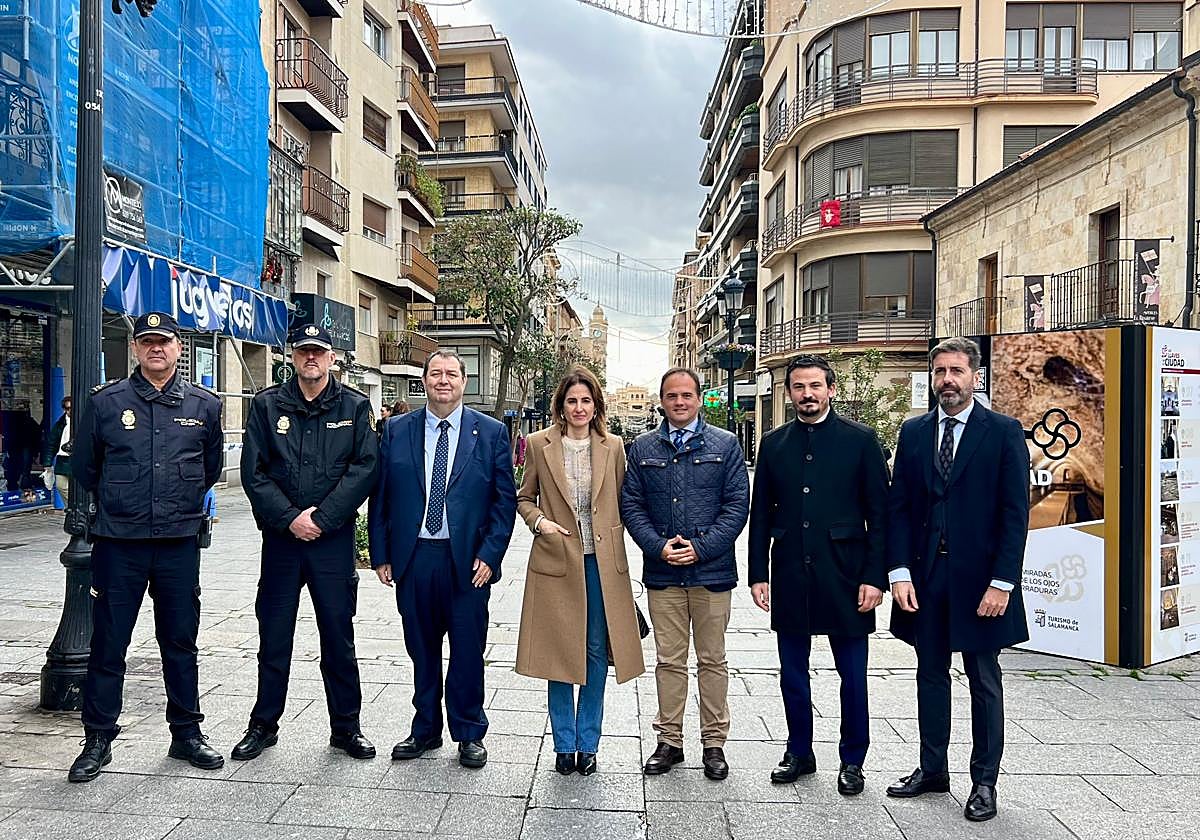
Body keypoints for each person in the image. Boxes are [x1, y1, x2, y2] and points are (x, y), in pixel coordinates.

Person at [67, 312, 224, 783]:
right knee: (109, 643)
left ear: (180, 348)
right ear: (135, 348)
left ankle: (186, 734)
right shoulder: (106, 403)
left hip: (177, 544)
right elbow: (85, 467)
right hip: (120, 543)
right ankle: (97, 738)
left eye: (165, 342)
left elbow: (210, 468)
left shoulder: (205, 405)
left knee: (180, 641)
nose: (157, 349)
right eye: (147, 341)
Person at [885, 337, 1030, 822]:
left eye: (957, 371)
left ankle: (984, 782)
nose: (948, 380)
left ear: (975, 376)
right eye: (940, 371)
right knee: (930, 675)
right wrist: (900, 572)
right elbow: (900, 508)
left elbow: (1015, 516)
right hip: (925, 581)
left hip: (981, 583)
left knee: (984, 680)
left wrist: (1003, 583)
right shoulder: (914, 432)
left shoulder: (1003, 432)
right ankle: (932, 769)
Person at [233, 324, 380, 762]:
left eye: (318, 351)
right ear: (292, 357)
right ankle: (263, 724)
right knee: (274, 635)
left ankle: (346, 728)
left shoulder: (354, 406)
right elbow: (252, 472)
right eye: (303, 352)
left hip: (331, 544)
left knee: (339, 636)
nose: (310, 358)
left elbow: (365, 468)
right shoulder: (266, 405)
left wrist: (321, 518)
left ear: (331, 357)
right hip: (281, 542)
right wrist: (289, 519)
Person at [748, 354, 889, 795]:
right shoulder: (773, 444)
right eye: (799, 387)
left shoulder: (861, 440)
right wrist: (757, 573)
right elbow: (761, 514)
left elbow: (880, 517)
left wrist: (875, 577)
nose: (807, 394)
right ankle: (799, 751)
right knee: (792, 672)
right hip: (790, 570)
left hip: (846, 575)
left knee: (853, 675)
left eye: (815, 386)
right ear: (789, 393)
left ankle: (853, 760)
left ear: (830, 389)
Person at [369, 350, 516, 769]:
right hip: (415, 559)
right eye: (436, 373)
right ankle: (425, 728)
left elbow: (503, 502)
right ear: (424, 380)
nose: (444, 380)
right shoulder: (397, 430)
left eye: (452, 374)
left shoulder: (489, 433)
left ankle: (469, 731)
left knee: (468, 649)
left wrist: (491, 553)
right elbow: (381, 497)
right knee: (421, 648)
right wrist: (382, 553)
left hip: (468, 563)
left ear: (464, 381)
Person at [515, 366, 645, 776]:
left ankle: (588, 743)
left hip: (602, 565)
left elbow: (628, 501)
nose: (579, 408)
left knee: (593, 652)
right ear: (561, 405)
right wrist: (540, 523)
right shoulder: (538, 444)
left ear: (596, 405)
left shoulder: (615, 447)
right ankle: (563, 744)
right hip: (556, 561)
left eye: (586, 400)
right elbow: (524, 498)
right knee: (558, 653)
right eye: (572, 400)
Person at [620, 367, 749, 780]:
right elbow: (631, 505)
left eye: (686, 395)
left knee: (713, 660)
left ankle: (714, 744)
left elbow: (736, 506)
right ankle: (669, 741)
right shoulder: (641, 448)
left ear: (698, 399)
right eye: (671, 396)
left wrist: (702, 547)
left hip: (712, 574)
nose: (679, 402)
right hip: (663, 575)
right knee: (669, 661)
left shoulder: (725, 445)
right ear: (662, 400)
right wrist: (658, 547)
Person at [45, 395, 72, 504]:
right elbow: (52, 444)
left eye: (71, 408)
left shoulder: (83, 422)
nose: (69, 411)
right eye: (67, 408)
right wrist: (47, 462)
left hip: (78, 461)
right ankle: (70, 508)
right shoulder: (60, 424)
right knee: (61, 486)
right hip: (63, 460)